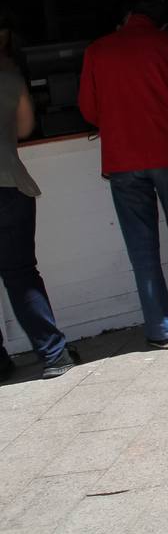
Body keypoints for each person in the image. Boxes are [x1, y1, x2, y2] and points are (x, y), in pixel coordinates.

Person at [78, 0, 168, 347]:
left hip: (122, 159)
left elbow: (88, 108)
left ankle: (161, 329)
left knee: (142, 249)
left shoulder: (98, 50)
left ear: (127, 17)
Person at [0, 66, 77, 381]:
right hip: (7, 184)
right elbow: (25, 127)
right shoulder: (8, 76)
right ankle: (54, 354)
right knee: (21, 274)